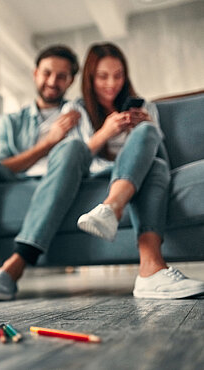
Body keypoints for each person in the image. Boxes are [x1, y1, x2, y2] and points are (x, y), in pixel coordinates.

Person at [0, 45, 92, 301]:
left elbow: (89, 157)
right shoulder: (11, 122)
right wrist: (48, 143)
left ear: (71, 80)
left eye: (62, 76)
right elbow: (0, 168)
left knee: (74, 148)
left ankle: (15, 267)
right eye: (47, 73)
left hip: (58, 180)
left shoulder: (79, 114)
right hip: (14, 179)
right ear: (35, 74)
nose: (53, 81)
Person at [73, 42, 204, 299]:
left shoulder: (144, 106)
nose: (112, 83)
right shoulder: (78, 111)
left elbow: (161, 156)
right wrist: (105, 133)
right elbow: (75, 160)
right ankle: (150, 271)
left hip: (147, 166)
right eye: (103, 76)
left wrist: (144, 127)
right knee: (154, 165)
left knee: (150, 146)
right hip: (104, 174)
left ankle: (110, 208)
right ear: (90, 78)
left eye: (118, 75)